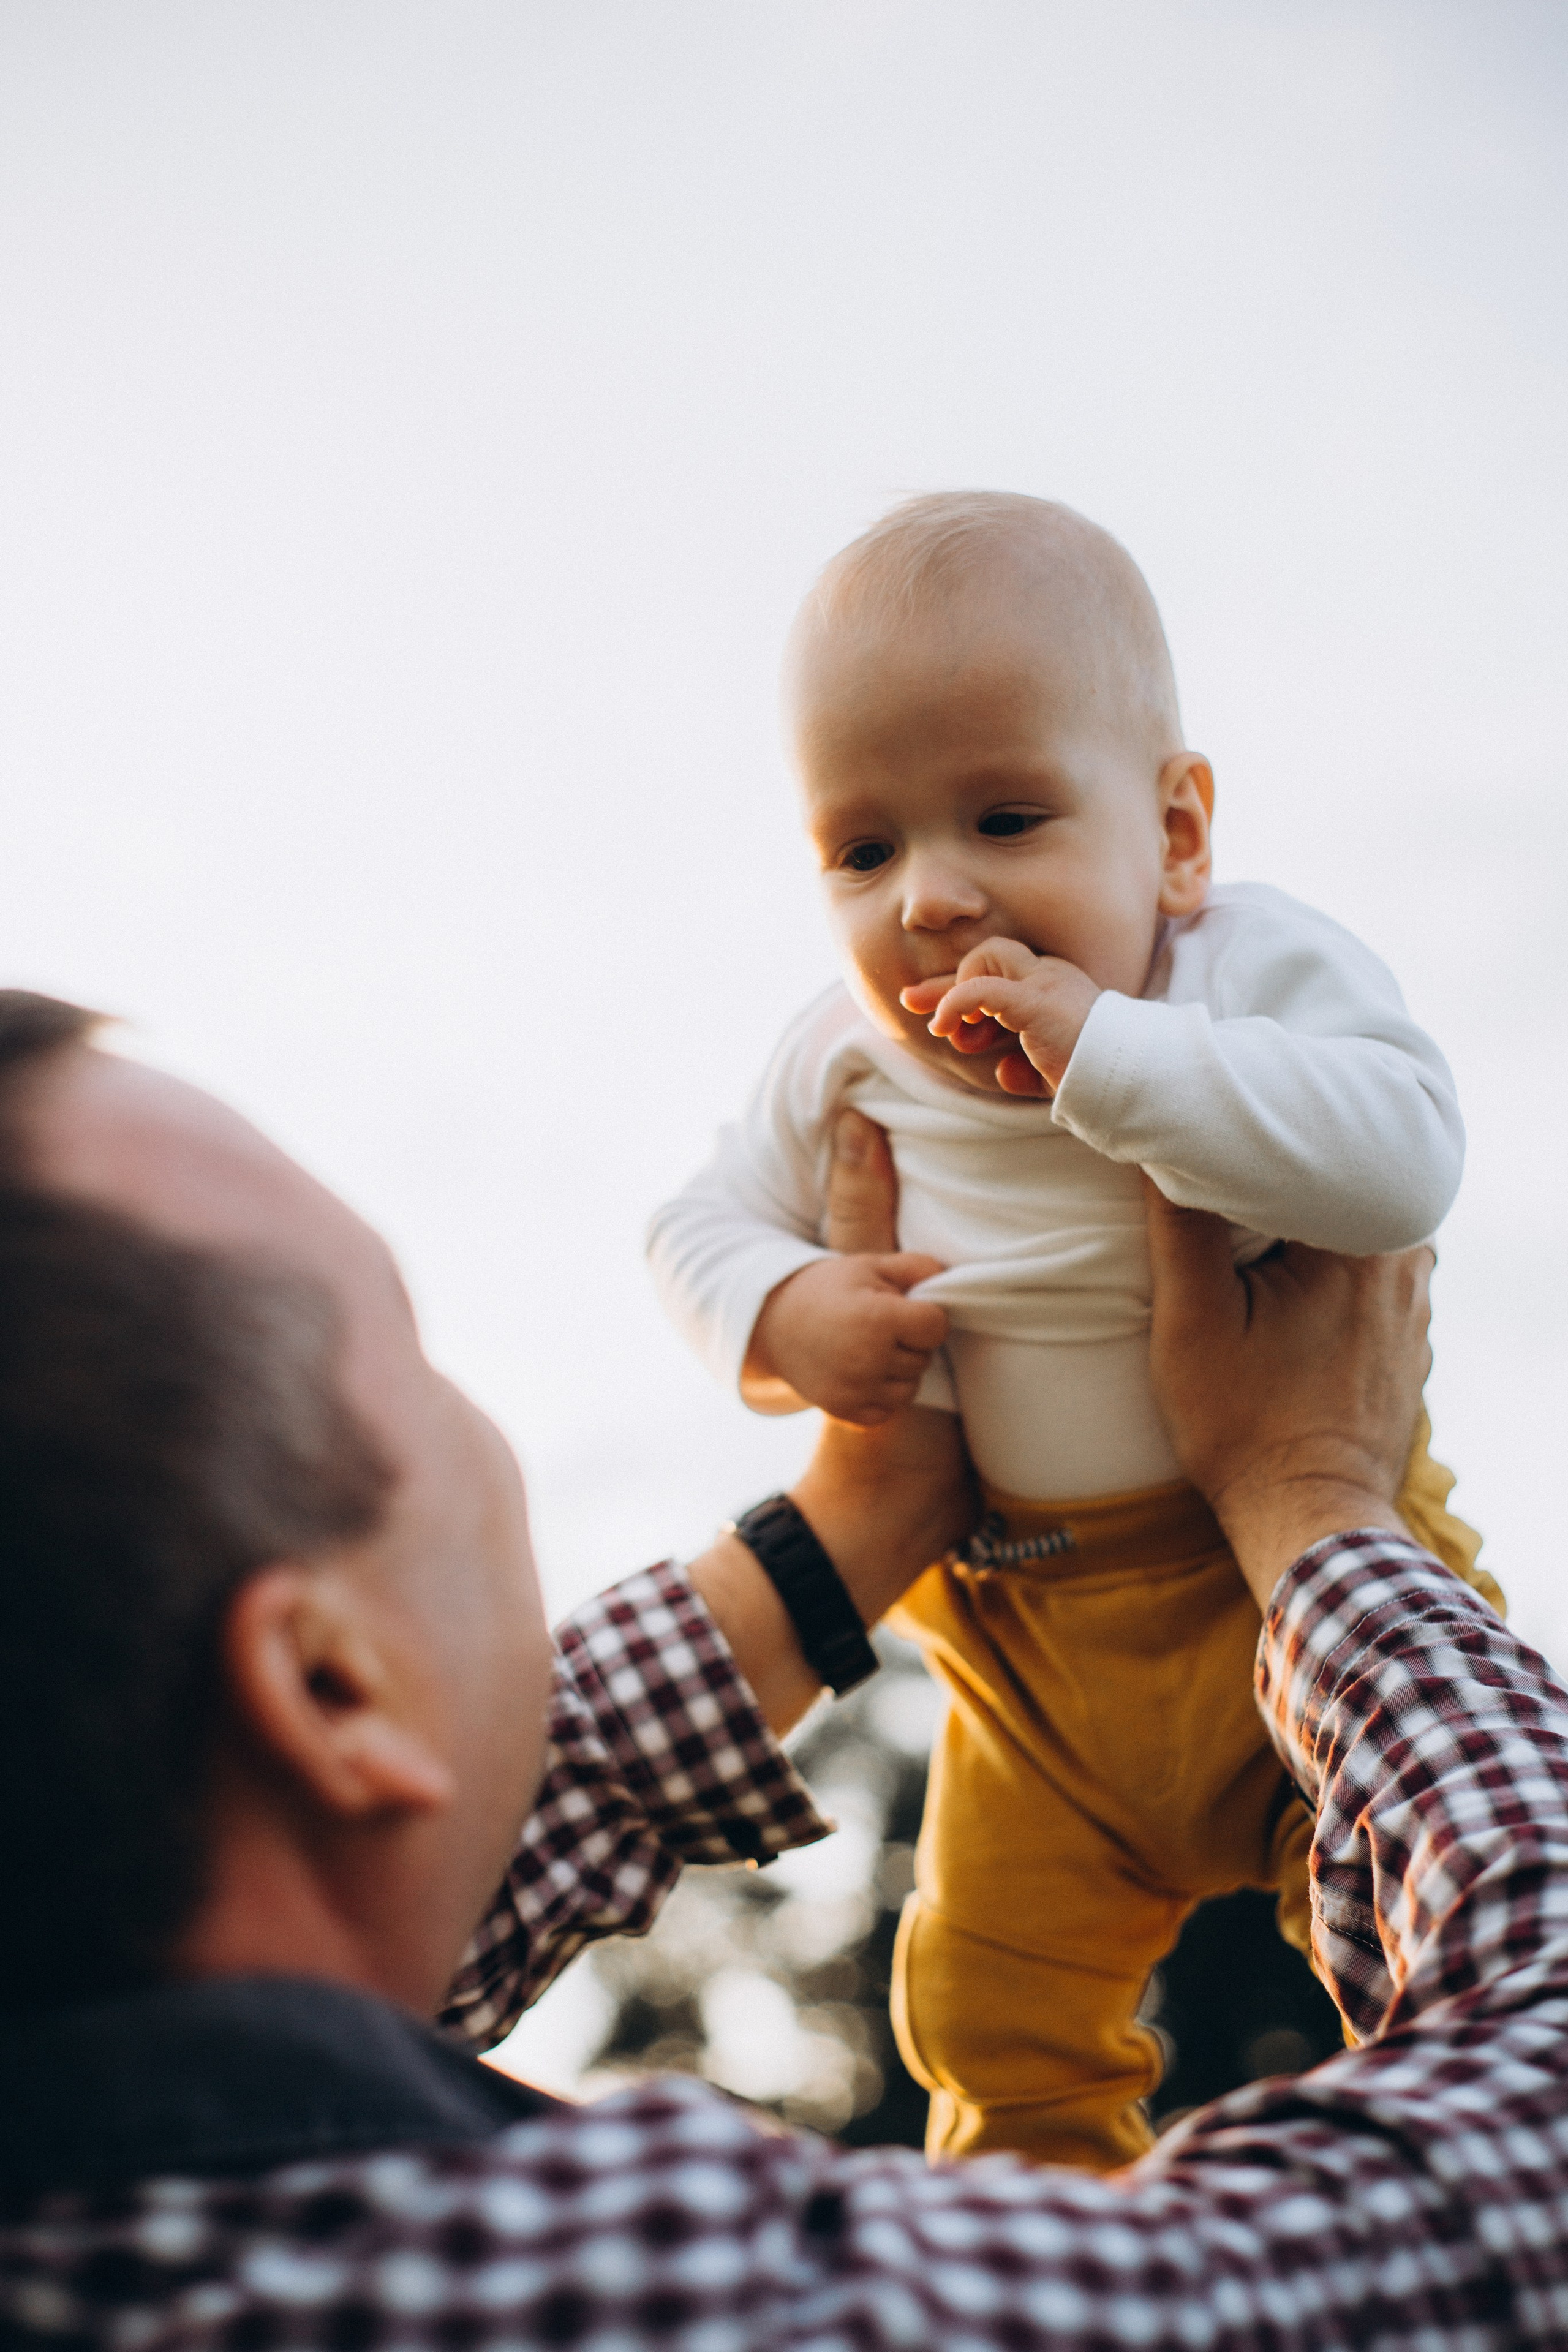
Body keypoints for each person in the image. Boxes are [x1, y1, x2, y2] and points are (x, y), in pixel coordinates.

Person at [2, 990, 1566, 2347]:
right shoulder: (620, 2302)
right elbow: (1508, 2184)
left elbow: (373, 1873)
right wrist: (1310, 1495)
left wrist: (848, 1530)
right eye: (417, 1358)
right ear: (331, 1691)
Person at [647, 490, 1501, 2168]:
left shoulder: (1235, 973)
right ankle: (1037, 2266)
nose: (935, 902)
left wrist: (1110, 1057)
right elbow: (692, 1227)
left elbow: (1408, 1157)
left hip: (1287, 1586)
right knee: (977, 2006)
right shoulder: (837, 1060)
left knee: (1439, 1913)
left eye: (1009, 817)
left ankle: (1437, 2209)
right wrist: (785, 1309)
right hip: (1027, 1650)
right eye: (864, 850)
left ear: (1177, 834)